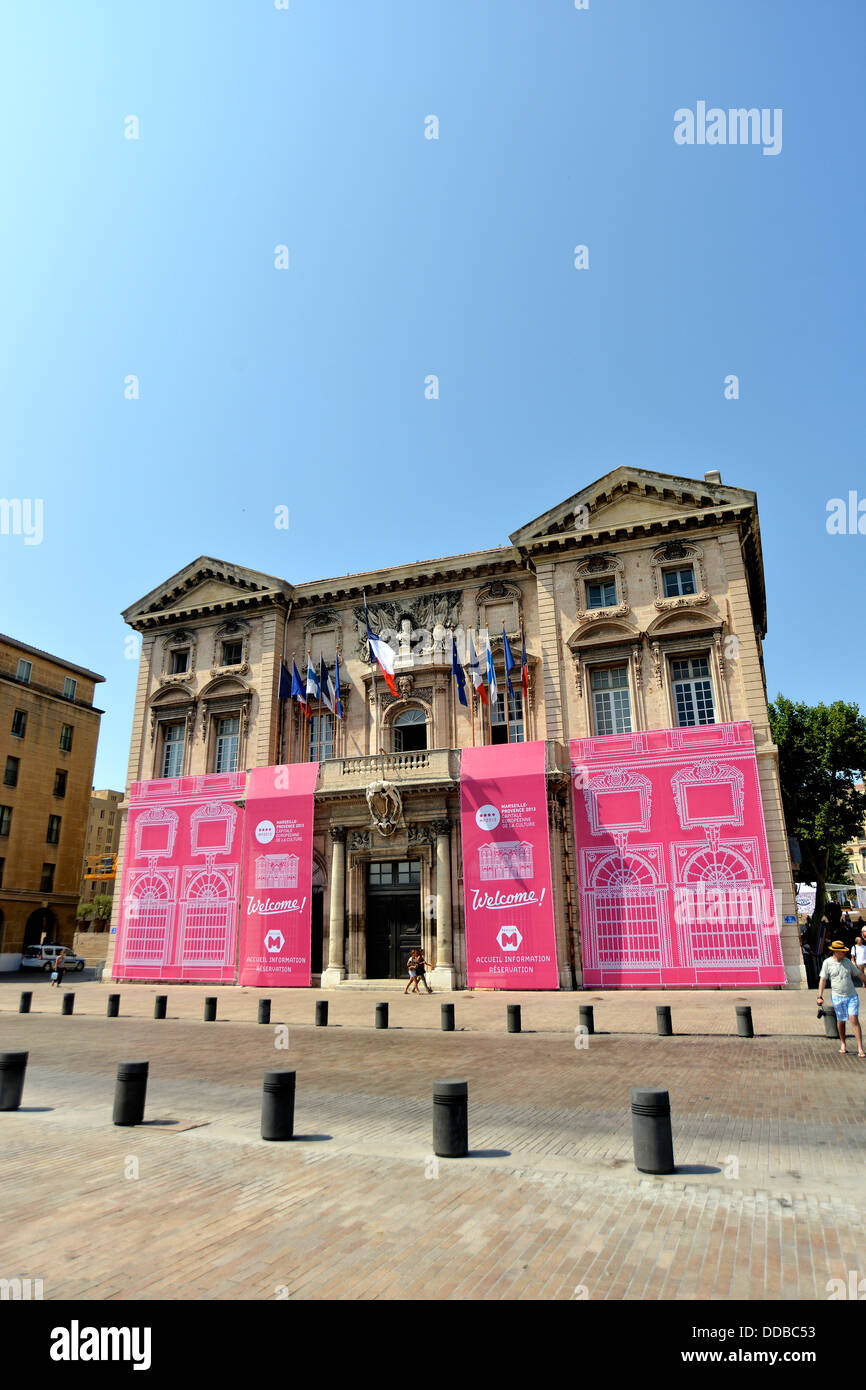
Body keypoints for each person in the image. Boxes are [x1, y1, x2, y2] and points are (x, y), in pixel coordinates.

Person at [817, 940, 866, 1056]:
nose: (845, 953)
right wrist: (819, 996)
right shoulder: (827, 963)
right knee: (841, 1021)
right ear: (836, 952)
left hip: (851, 996)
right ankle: (843, 1043)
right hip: (837, 997)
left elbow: (859, 974)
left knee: (854, 1019)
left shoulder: (847, 962)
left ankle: (860, 1048)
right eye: (842, 951)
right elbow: (823, 980)